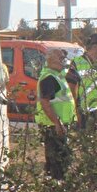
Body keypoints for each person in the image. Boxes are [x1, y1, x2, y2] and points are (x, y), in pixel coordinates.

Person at [35, 46, 75, 179]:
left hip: (59, 125)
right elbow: (45, 103)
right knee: (56, 161)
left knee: (60, 159)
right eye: (60, 58)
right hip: (53, 126)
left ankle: (56, 186)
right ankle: (54, 188)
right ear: (51, 59)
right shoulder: (49, 78)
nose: (63, 61)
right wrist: (57, 123)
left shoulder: (58, 75)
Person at [72, 32, 97, 126]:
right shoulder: (77, 62)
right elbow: (72, 89)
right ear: (96, 46)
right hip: (86, 110)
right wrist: (76, 110)